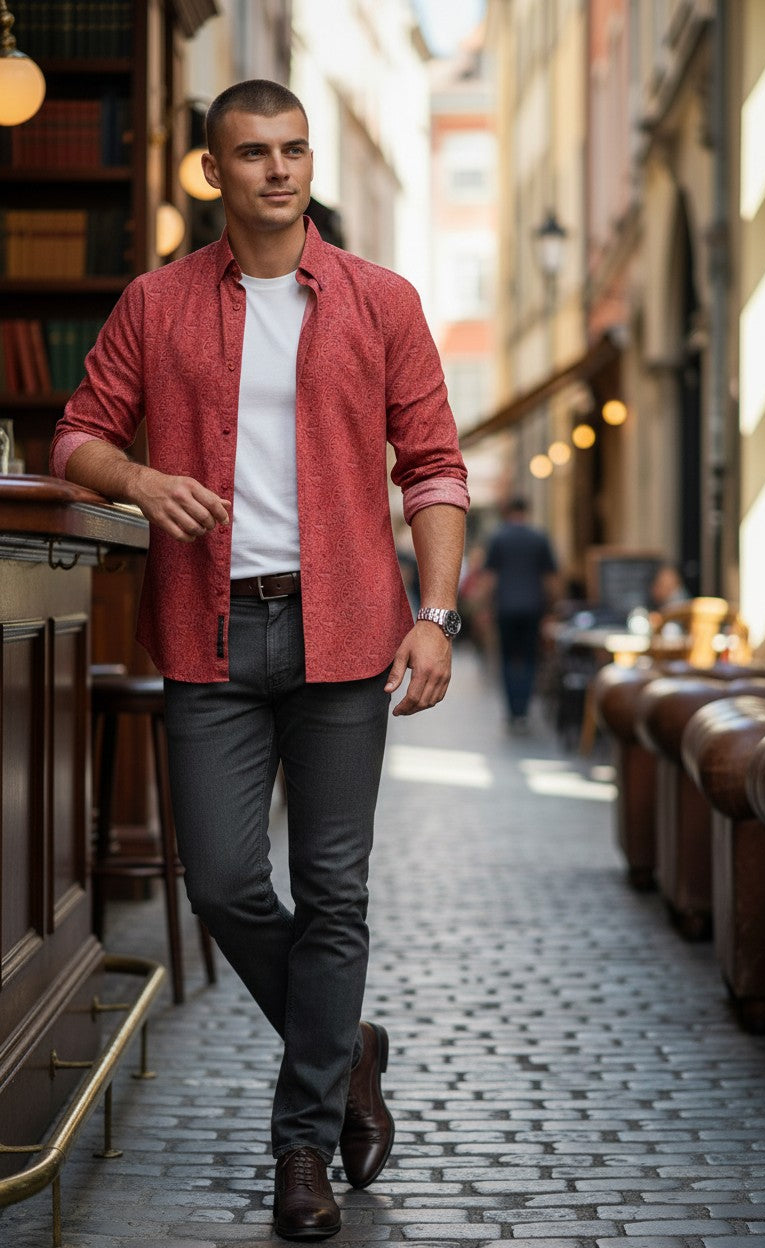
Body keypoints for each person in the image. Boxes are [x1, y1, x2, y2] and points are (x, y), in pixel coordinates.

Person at [50, 80, 468, 1242]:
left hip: (348, 632)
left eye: (292, 150)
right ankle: (348, 1049)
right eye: (252, 153)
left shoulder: (381, 301)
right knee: (224, 880)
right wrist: (141, 481)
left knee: (334, 892)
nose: (277, 170)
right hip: (209, 628)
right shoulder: (157, 303)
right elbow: (76, 435)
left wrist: (437, 614)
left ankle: (301, 1150)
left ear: (308, 160)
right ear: (213, 171)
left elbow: (433, 465)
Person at [483, 497, 558, 730]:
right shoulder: (539, 538)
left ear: (508, 512)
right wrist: (553, 608)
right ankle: (524, 709)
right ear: (526, 512)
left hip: (505, 607)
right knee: (529, 658)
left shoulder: (498, 538)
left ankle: (512, 711)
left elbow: (489, 579)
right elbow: (551, 579)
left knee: (507, 658)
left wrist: (485, 608)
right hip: (533, 607)